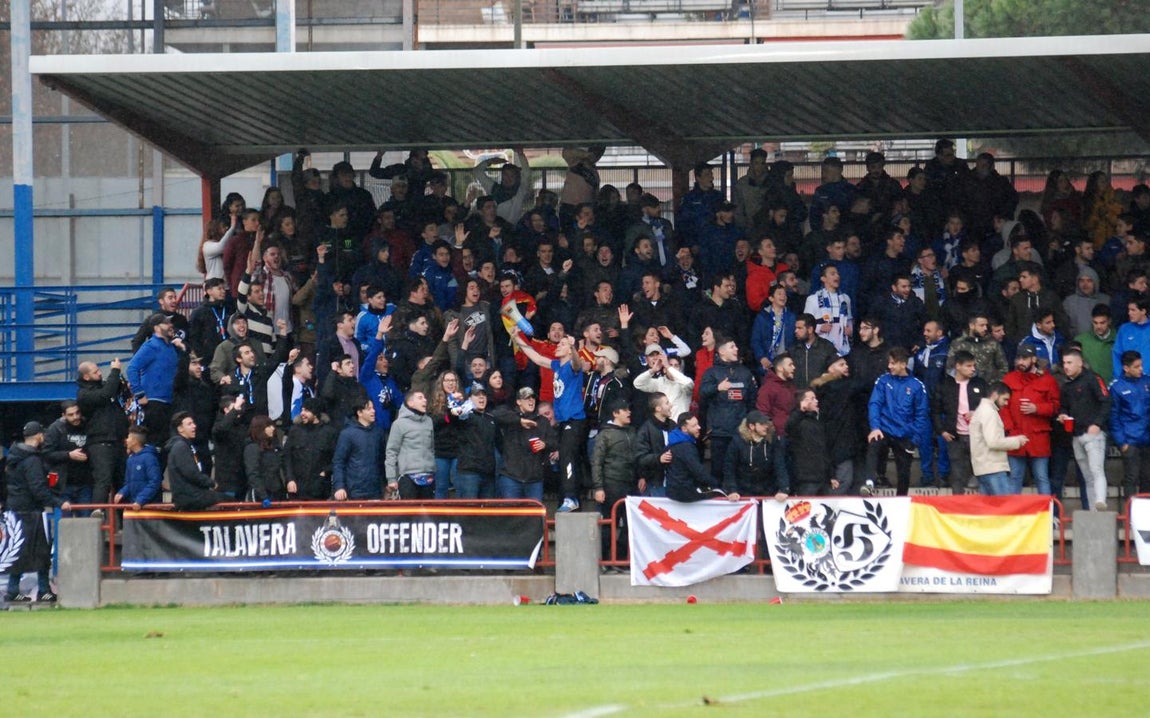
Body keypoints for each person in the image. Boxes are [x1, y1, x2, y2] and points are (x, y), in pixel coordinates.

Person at [514, 333, 586, 512]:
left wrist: (574, 347)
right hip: (562, 421)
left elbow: (578, 364)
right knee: (563, 458)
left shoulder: (572, 365)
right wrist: (518, 340)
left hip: (575, 420)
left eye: (562, 344)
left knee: (567, 455)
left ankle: (571, 498)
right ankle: (567, 497)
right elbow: (537, 358)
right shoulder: (556, 365)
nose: (558, 345)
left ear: (570, 349)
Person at [3, 422, 70, 603]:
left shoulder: (15, 456)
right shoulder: (32, 460)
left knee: (18, 551)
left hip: (15, 509)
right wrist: (58, 502)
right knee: (42, 550)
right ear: (39, 436)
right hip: (31, 511)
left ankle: (13, 590)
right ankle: (43, 589)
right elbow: (38, 489)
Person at [861, 347, 931, 497]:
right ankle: (869, 483)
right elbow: (874, 404)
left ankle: (901, 501)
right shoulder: (883, 381)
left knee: (904, 473)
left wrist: (914, 440)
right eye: (889, 363)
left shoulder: (917, 386)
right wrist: (875, 427)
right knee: (873, 443)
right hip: (884, 429)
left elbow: (921, 414)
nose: (890, 366)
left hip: (905, 434)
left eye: (893, 363)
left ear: (903, 364)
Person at [1001, 343, 1059, 497]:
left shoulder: (1048, 380)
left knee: (1042, 478)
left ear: (1034, 359)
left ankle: (1047, 516)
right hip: (1015, 436)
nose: (1020, 362)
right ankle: (1013, 517)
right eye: (1018, 358)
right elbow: (1002, 407)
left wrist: (1037, 408)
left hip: (1038, 437)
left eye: (1024, 358)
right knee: (1014, 478)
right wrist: (1010, 429)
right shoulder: (1008, 379)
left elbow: (1055, 407)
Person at [1059, 349, 1112, 511]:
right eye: (1064, 363)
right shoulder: (1066, 385)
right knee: (1087, 476)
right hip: (1076, 435)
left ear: (1080, 363)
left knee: (1097, 470)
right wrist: (1062, 415)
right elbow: (1064, 407)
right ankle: (1092, 509)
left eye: (1069, 363)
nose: (1066, 366)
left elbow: (1106, 401)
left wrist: (1097, 424)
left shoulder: (1093, 379)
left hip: (1093, 434)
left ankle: (1101, 500)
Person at [699, 335, 757, 483]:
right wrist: (717, 388)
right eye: (732, 347)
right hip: (720, 432)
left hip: (741, 432)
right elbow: (702, 393)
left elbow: (752, 399)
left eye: (736, 346)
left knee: (741, 470)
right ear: (722, 351)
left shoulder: (745, 372)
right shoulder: (711, 372)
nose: (736, 349)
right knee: (718, 470)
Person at [932, 350, 987, 496]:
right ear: (958, 366)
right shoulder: (945, 385)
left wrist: (977, 413)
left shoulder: (980, 384)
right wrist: (942, 431)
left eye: (973, 365)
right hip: (955, 437)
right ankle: (959, 508)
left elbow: (991, 407)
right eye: (968, 366)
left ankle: (984, 507)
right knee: (956, 475)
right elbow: (935, 411)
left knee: (982, 474)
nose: (973, 369)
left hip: (977, 436)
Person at [76, 357, 130, 505]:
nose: (100, 373)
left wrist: (120, 379)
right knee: (103, 480)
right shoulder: (84, 394)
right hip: (100, 443)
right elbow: (104, 395)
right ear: (86, 376)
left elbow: (114, 389)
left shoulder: (105, 386)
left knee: (123, 481)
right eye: (96, 372)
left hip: (117, 441)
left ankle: (124, 520)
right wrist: (114, 371)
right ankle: (97, 512)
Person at [127, 313, 185, 447]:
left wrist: (182, 349)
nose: (171, 326)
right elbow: (132, 368)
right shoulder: (151, 346)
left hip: (170, 402)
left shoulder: (171, 347)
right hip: (155, 403)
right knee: (156, 443)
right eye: (166, 323)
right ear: (157, 328)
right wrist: (139, 393)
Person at [590, 399, 638, 559]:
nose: (629, 412)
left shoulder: (632, 431)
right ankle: (605, 559)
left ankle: (620, 558)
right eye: (625, 410)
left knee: (631, 524)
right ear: (615, 413)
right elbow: (596, 462)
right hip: (612, 484)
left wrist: (641, 476)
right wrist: (598, 487)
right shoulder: (605, 434)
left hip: (631, 484)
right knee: (609, 524)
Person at [492, 387, 556, 501]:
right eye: (527, 398)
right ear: (518, 402)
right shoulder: (510, 418)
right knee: (511, 516)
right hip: (511, 477)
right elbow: (495, 414)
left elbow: (554, 442)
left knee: (534, 517)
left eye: (533, 398)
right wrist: (519, 421)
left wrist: (545, 444)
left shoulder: (542, 421)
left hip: (534, 479)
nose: (531, 401)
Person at [970, 382, 1029, 495]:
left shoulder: (981, 410)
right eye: (1005, 399)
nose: (1006, 403)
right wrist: (1016, 441)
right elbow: (993, 442)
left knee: (988, 510)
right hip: (993, 469)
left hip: (982, 468)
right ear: (995, 395)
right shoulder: (990, 412)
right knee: (1005, 508)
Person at [665, 412, 737, 503]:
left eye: (698, 424)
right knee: (719, 495)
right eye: (694, 426)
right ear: (684, 429)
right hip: (684, 492)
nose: (699, 427)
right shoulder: (686, 447)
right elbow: (698, 472)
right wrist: (719, 486)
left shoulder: (673, 442)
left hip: (674, 490)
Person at [167, 412, 230, 511]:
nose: (194, 426)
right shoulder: (181, 447)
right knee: (229, 500)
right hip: (190, 496)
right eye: (189, 424)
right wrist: (210, 483)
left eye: (193, 423)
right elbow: (191, 473)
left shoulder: (185, 445)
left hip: (190, 494)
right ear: (180, 429)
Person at [1110, 351, 1150, 504]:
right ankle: (1130, 515)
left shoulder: (1147, 381)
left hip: (1147, 438)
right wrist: (1122, 442)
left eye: (1141, 365)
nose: (1140, 369)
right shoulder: (1117, 387)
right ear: (1126, 368)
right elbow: (1113, 417)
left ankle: (1146, 515)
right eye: (1136, 366)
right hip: (1130, 440)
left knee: (1147, 477)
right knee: (1131, 478)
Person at [283, 398, 339, 500]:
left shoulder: (329, 432)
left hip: (320, 489)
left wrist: (325, 472)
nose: (302, 413)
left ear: (316, 413)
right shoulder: (295, 431)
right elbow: (287, 457)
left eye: (307, 411)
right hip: (297, 489)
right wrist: (290, 479)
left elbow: (337, 459)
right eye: (302, 410)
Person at [385, 392, 437, 500]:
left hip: (428, 476)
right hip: (408, 476)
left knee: (428, 514)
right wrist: (391, 478)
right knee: (409, 514)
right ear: (410, 403)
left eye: (425, 397)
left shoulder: (429, 421)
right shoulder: (399, 424)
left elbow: (431, 448)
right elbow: (391, 451)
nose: (425, 400)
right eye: (420, 398)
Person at [332, 400, 388, 501]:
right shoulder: (347, 434)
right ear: (359, 413)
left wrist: (385, 484)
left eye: (373, 408)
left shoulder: (378, 432)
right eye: (369, 409)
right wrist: (339, 486)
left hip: (375, 490)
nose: (373, 411)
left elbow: (382, 460)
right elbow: (339, 462)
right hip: (354, 491)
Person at [756, 354, 796, 493]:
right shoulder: (768, 388)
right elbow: (762, 415)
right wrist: (774, 434)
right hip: (778, 438)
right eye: (790, 365)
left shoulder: (791, 387)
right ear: (779, 368)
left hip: (792, 436)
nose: (794, 368)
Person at [42, 400, 91, 512]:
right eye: (71, 414)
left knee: (86, 522)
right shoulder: (55, 429)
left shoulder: (87, 425)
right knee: (65, 523)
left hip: (85, 483)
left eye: (77, 413)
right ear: (63, 415)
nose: (75, 417)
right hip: (63, 484)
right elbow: (46, 454)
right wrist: (68, 455)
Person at [786, 389, 837, 496]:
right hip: (806, 479)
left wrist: (831, 474)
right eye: (812, 399)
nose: (816, 401)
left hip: (822, 478)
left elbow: (824, 450)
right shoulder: (797, 421)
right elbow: (789, 427)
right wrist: (801, 410)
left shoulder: (817, 422)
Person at [723, 410, 782, 498]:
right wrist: (732, 490)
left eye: (766, 423)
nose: (766, 426)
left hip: (767, 491)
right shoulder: (737, 442)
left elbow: (779, 465)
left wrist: (783, 488)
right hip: (743, 492)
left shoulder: (771, 441)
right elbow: (729, 468)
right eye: (762, 424)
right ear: (751, 426)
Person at [454, 383, 498, 499]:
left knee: (487, 513)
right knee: (468, 511)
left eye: (483, 395)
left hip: (488, 473)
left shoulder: (491, 418)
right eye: (477, 395)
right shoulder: (465, 416)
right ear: (469, 399)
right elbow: (453, 413)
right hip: (469, 472)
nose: (481, 398)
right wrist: (457, 403)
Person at [631, 342, 693, 421]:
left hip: (681, 427)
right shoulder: (659, 382)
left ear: (680, 369)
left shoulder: (684, 382)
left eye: (676, 366)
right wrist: (653, 370)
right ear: (664, 369)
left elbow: (688, 384)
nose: (672, 368)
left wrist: (668, 366)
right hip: (665, 427)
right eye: (670, 365)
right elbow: (638, 384)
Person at [804, 264, 853, 356]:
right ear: (823, 278)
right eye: (832, 274)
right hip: (821, 347)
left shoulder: (845, 298)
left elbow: (849, 319)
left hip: (843, 348)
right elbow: (806, 323)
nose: (837, 276)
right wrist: (819, 328)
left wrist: (850, 330)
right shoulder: (813, 299)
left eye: (838, 274)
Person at [947, 313, 1008, 384]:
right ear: (972, 326)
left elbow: (1003, 368)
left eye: (986, 325)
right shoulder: (958, 344)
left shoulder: (993, 343)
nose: (985, 328)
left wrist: (995, 384)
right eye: (981, 325)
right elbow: (950, 368)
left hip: (988, 387)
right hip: (964, 387)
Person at [635, 393, 675, 497]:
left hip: (674, 482)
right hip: (655, 483)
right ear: (658, 408)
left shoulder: (673, 426)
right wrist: (658, 458)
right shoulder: (645, 430)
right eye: (667, 403)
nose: (670, 405)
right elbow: (640, 457)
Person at [115, 427, 162, 510]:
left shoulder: (150, 458)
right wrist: (122, 492)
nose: (126, 440)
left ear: (135, 441)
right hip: (134, 505)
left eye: (128, 437)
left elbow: (154, 482)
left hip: (150, 507)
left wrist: (141, 500)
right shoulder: (130, 459)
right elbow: (128, 483)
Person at [243, 415, 285, 502]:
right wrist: (263, 496)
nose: (272, 428)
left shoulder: (273, 447)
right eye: (268, 426)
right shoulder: (252, 448)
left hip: (276, 491)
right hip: (261, 494)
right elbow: (253, 473)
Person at [791, 313, 838, 390]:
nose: (796, 331)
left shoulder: (827, 347)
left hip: (822, 396)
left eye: (799, 328)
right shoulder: (793, 349)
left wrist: (822, 381)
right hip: (799, 397)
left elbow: (835, 372)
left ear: (810, 329)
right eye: (796, 328)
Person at [1113, 297, 1150, 380]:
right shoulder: (1124, 329)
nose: (1129, 313)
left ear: (1143, 311)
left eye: (1133, 310)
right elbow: (1117, 354)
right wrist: (1118, 378)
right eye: (1129, 310)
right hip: (1129, 381)